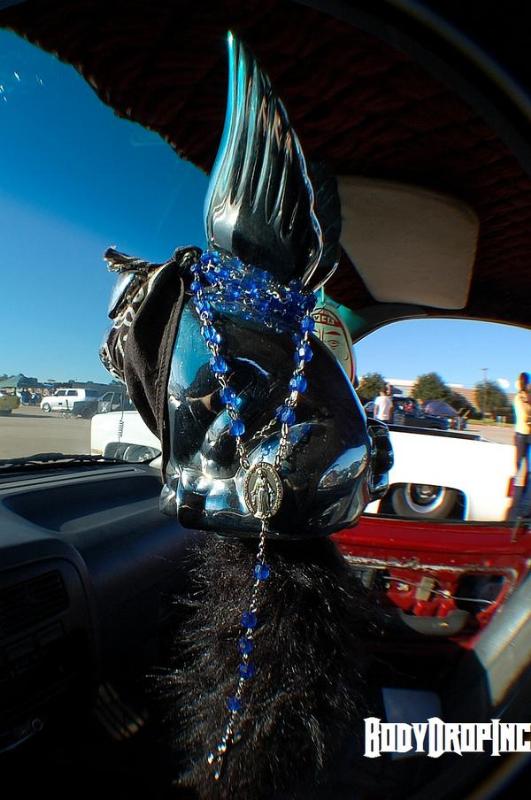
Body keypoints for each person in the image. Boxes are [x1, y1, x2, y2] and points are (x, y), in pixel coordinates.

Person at [513, 371, 530, 474]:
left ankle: (525, 479)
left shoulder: (526, 395)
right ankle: (515, 479)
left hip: (526, 433)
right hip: (521, 433)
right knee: (519, 462)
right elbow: (525, 415)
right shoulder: (520, 397)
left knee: (527, 464)